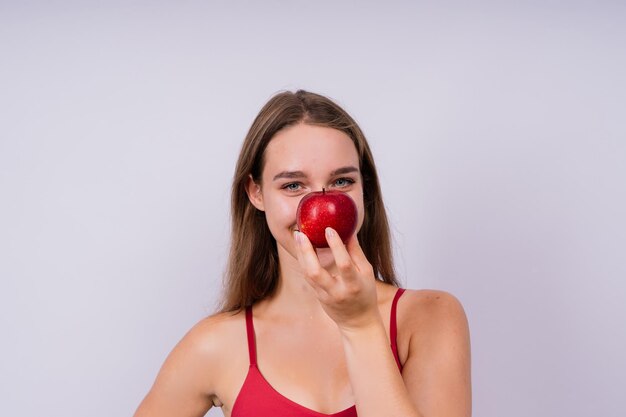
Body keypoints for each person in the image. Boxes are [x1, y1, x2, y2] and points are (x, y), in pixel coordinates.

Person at [133, 90, 471, 417]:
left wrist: (360, 326)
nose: (319, 202)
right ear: (256, 193)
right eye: (293, 185)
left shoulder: (430, 318)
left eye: (341, 181)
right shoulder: (215, 344)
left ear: (364, 188)